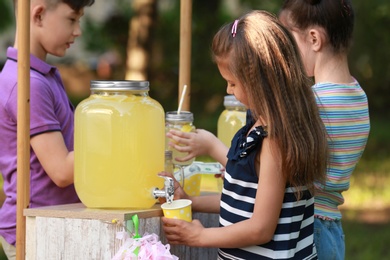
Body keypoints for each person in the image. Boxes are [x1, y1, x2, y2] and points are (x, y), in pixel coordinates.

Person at [160, 10, 328, 259]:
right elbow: (242, 197)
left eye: (233, 83)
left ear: (262, 80)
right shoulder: (256, 129)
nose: (228, 89)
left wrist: (200, 236)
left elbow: (261, 228)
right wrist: (192, 200)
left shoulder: (274, 140)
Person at [0, 0, 94, 259]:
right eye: (72, 19)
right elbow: (62, 171)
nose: (78, 31)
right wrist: (114, 140)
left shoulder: (42, 76)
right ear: (39, 15)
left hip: (52, 223)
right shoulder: (28, 83)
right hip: (36, 229)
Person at [278, 1, 370, 259]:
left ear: (314, 39)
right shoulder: (358, 96)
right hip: (332, 230)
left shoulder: (311, 103)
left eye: (289, 41)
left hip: (305, 227)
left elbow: (282, 169)